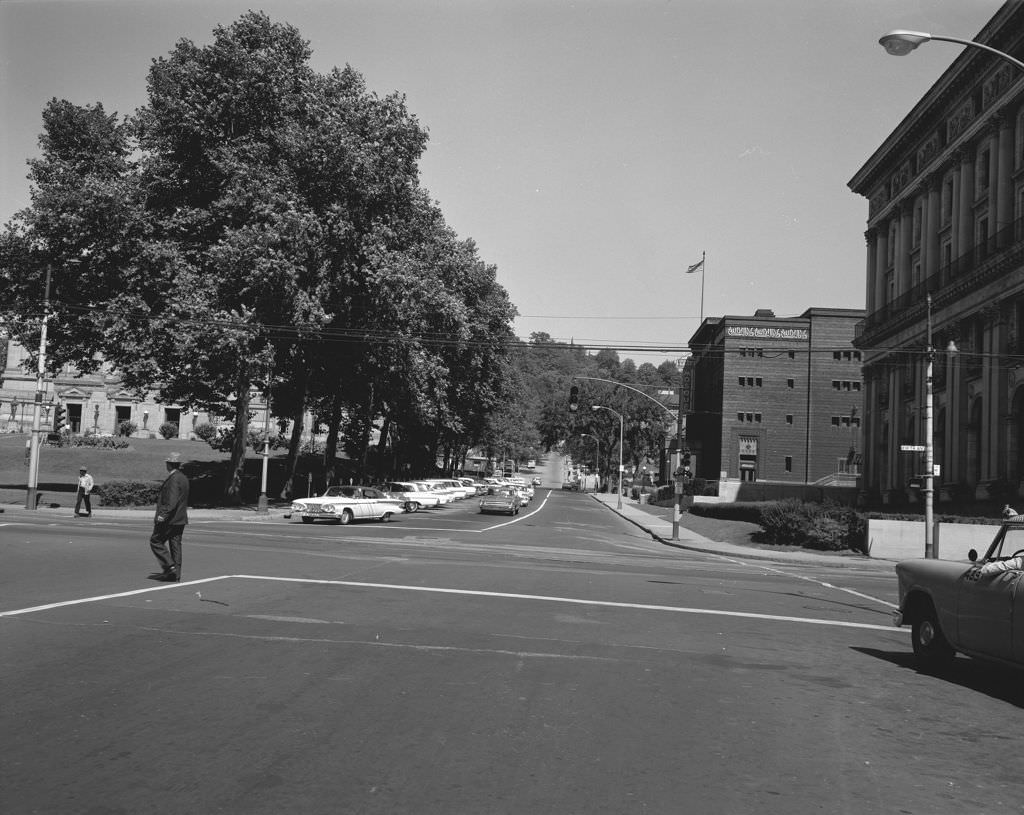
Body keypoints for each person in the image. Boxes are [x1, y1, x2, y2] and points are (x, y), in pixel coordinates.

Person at [149, 452, 189, 582]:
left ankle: (169, 566)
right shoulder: (183, 478)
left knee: (156, 541)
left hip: (170, 519)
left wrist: (162, 515)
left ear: (169, 464)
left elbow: (172, 500)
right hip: (180, 518)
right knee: (175, 545)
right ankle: (175, 574)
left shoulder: (173, 479)